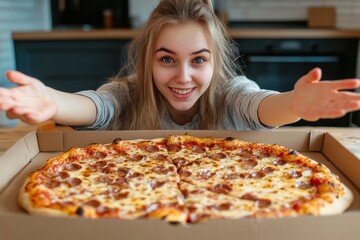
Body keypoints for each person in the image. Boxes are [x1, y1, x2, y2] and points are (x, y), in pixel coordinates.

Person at [0, 0, 360, 130]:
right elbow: (96, 106)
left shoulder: (231, 94)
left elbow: (261, 106)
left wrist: (293, 106)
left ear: (215, 61)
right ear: (147, 61)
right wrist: (53, 102)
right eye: (167, 59)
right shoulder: (129, 93)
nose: (183, 77)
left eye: (199, 60)